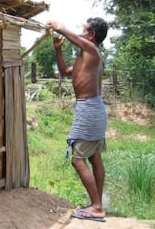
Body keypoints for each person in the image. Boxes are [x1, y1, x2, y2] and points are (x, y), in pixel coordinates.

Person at [47, 17, 108, 222]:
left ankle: (97, 207)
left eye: (83, 30)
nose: (80, 32)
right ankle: (96, 203)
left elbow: (71, 36)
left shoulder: (91, 50)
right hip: (94, 108)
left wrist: (59, 28)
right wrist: (58, 50)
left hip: (89, 109)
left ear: (91, 35)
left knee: (77, 160)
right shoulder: (87, 56)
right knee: (95, 158)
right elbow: (65, 72)